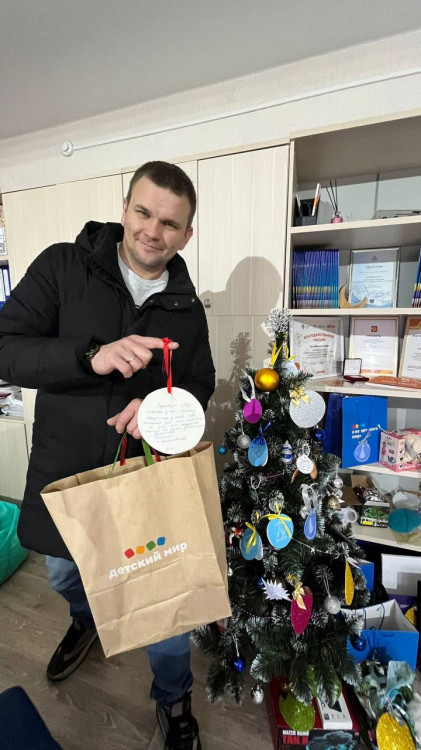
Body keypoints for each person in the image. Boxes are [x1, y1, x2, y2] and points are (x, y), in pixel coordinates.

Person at [0, 161, 215, 750]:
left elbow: (200, 382)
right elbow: (6, 347)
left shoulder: (187, 307)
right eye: (143, 212)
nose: (153, 231)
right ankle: (86, 620)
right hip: (68, 469)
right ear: (124, 209)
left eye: (170, 224)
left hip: (149, 477)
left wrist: (161, 408)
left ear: (186, 235)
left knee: (161, 600)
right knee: (63, 572)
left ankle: (173, 699)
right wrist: (88, 356)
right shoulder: (62, 267)